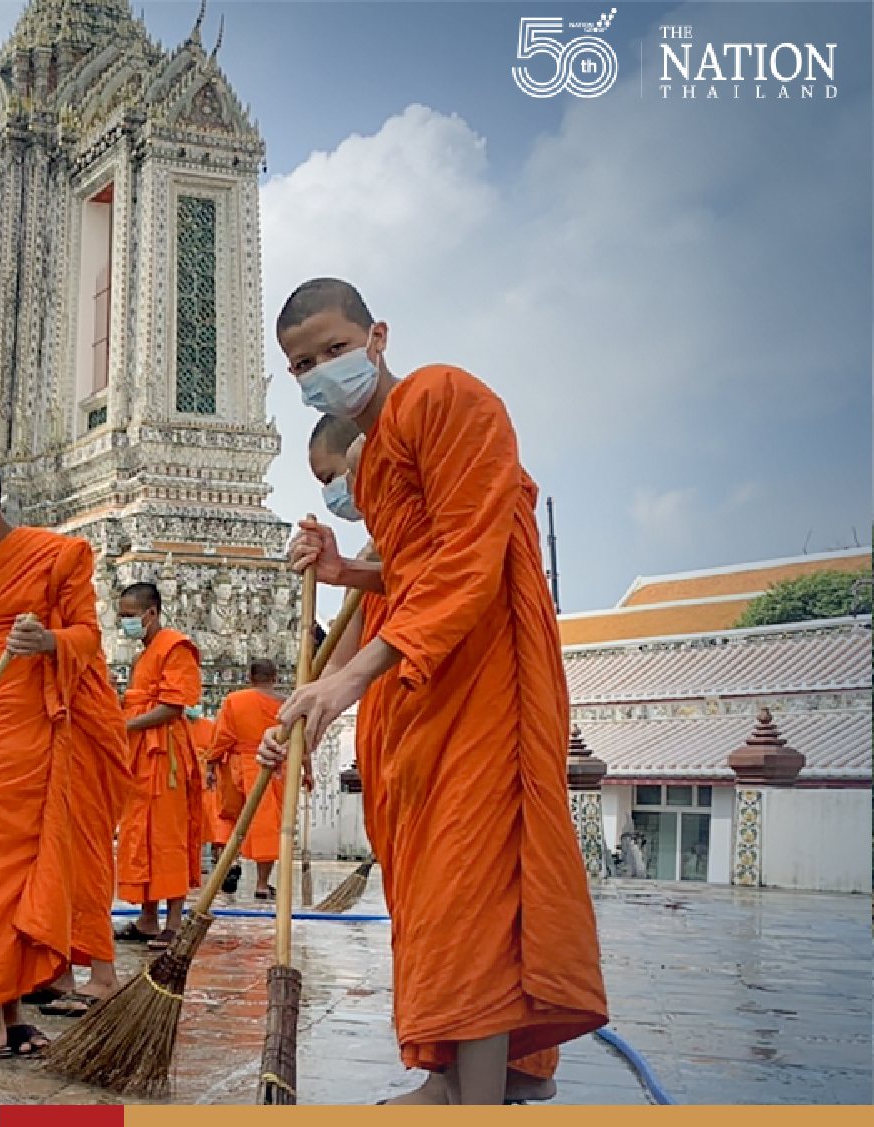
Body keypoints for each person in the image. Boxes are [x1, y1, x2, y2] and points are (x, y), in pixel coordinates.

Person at [262, 277, 607, 1104]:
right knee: (431, 879)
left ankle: (475, 1094)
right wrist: (347, 571)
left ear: (377, 336)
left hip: (486, 670)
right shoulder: (374, 453)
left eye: (335, 350)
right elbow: (410, 568)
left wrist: (346, 677)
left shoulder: (445, 396)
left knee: (469, 877)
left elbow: (464, 558)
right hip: (424, 679)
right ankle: (468, 1073)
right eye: (302, 363)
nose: (320, 370)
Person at [0, 448, 131, 1059]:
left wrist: (47, 642)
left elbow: (88, 636)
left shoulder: (56, 555)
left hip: (37, 735)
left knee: (21, 880)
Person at [112, 583, 203, 949]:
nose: (125, 624)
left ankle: (174, 921)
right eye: (121, 617)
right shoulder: (146, 653)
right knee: (141, 833)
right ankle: (147, 919)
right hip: (139, 754)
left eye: (130, 616)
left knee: (167, 836)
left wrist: (124, 725)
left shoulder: (175, 646)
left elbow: (173, 707)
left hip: (165, 754)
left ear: (151, 613)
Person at [206, 661, 305, 899]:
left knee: (229, 816)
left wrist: (211, 764)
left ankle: (231, 865)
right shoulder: (287, 703)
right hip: (273, 765)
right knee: (266, 823)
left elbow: (223, 737)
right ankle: (261, 884)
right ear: (276, 677)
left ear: (250, 677)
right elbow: (301, 739)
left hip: (238, 765)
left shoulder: (235, 700)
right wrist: (307, 770)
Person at [190, 703, 241, 896]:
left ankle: (226, 867)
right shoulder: (175, 728)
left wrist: (211, 770)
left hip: (211, 785)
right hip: (187, 784)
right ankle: (223, 865)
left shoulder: (209, 727)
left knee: (217, 825)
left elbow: (218, 751)